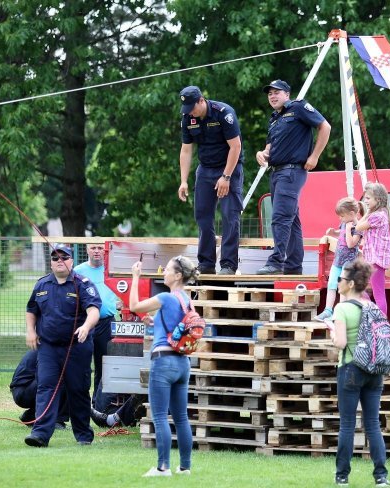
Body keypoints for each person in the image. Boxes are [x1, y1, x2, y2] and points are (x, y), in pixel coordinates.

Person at [23, 244, 100, 447]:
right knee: (45, 387)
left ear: (71, 261)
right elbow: (31, 310)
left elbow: (94, 310)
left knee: (78, 389)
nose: (59, 261)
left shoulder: (82, 284)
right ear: (51, 262)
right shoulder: (41, 285)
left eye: (64, 257)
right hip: (48, 347)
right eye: (55, 258)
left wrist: (85, 327)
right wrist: (30, 331)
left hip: (77, 347)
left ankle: (84, 436)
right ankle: (40, 434)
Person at [130, 255, 198, 477]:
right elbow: (173, 326)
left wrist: (135, 276)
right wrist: (154, 320)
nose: (163, 272)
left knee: (159, 416)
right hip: (182, 362)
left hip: (163, 362)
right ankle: (185, 467)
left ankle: (163, 468)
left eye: (167, 269)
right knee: (181, 417)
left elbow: (133, 306)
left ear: (178, 276)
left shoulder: (165, 297)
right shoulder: (186, 300)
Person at [255, 79, 331, 275]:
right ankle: (293, 266)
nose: (272, 96)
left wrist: (314, 156)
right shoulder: (274, 118)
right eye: (269, 93)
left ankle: (276, 262)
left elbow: (325, 126)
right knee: (292, 220)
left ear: (287, 94)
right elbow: (269, 147)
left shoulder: (298, 107)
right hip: (276, 172)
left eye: (276, 92)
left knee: (280, 217)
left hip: (292, 171)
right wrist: (261, 153)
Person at [330, 259, 389, 487]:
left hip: (351, 368)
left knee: (347, 424)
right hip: (374, 370)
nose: (338, 282)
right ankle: (381, 476)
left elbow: (341, 342)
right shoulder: (372, 307)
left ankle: (342, 476)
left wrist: (333, 335)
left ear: (351, 283)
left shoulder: (341, 308)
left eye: (341, 279)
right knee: (373, 424)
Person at [178, 86, 244, 275]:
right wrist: (183, 181)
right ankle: (206, 263)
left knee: (229, 215)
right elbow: (186, 149)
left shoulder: (223, 113)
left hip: (229, 167)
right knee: (202, 216)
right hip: (205, 169)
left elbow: (235, 147)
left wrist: (226, 177)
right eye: (187, 109)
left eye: (193, 107)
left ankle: (228, 265)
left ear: (201, 100)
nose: (191, 112)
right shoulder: (187, 119)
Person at [73, 242, 121, 411]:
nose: (97, 251)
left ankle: (99, 405)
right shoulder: (78, 271)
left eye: (100, 248)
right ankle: (80, 405)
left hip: (107, 323)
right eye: (93, 248)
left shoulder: (112, 270)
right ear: (86, 250)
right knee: (81, 366)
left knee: (104, 365)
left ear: (105, 251)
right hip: (84, 324)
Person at [314, 197, 363, 322]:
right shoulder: (344, 223)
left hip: (349, 261)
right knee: (331, 284)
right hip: (338, 260)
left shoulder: (358, 228)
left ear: (351, 214)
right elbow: (340, 233)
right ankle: (327, 310)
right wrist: (333, 232)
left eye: (341, 216)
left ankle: (340, 312)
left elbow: (351, 244)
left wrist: (347, 229)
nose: (339, 218)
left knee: (342, 287)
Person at [355, 182, 390, 314]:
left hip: (375, 261)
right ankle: (375, 317)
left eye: (368, 198)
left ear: (378, 199)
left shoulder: (377, 216)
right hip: (374, 260)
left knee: (378, 294)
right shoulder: (382, 214)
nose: (365, 201)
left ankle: (381, 324)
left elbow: (358, 227)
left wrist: (367, 212)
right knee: (363, 289)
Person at [9, 349, 69, 429]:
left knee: (64, 377)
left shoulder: (50, 346)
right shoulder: (48, 349)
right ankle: (57, 421)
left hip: (24, 389)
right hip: (23, 391)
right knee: (64, 378)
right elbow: (45, 379)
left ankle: (31, 416)